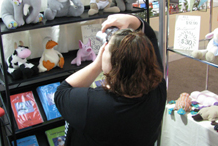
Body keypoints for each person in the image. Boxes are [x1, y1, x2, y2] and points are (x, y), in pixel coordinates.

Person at [54, 14, 166, 146]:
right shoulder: (158, 90)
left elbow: (61, 92)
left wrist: (97, 64)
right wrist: (132, 20)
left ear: (113, 65)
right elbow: (150, 36)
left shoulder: (93, 105)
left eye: (107, 49)